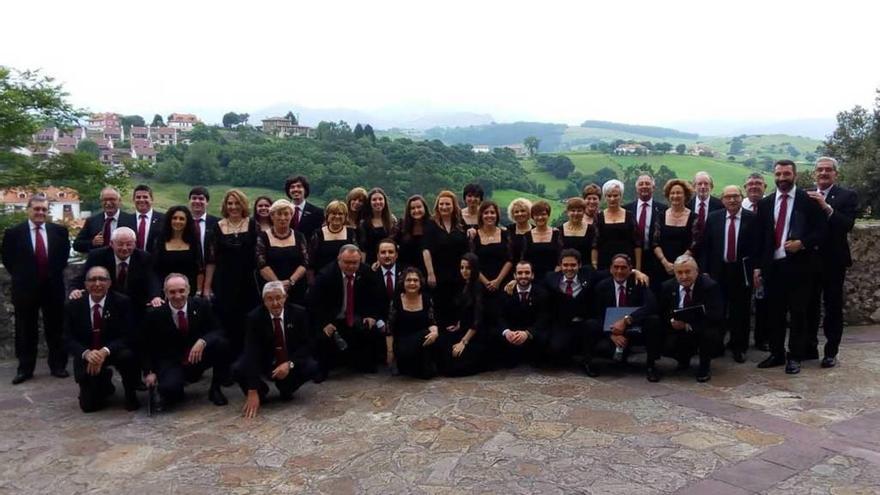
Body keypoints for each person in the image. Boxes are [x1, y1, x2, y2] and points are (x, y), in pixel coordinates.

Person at [755, 160, 828, 374]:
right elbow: (760, 239)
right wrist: (758, 267)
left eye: (786, 174)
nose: (782, 178)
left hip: (800, 266)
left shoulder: (809, 201)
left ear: (794, 175)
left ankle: (795, 356)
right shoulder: (766, 203)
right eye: (778, 174)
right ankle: (777, 353)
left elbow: (821, 232)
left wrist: (802, 243)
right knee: (774, 313)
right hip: (773, 267)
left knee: (798, 313)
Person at [2, 194, 71, 384]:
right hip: (25, 290)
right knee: (25, 330)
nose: (40, 212)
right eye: (36, 209)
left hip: (53, 288)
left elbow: (63, 258)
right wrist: (26, 278)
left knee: (56, 329)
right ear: (28, 210)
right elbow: (8, 260)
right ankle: (25, 369)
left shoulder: (59, 232)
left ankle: (58, 366)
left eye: (43, 209)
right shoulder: (14, 233)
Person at [142, 273, 230, 409]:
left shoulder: (202, 305)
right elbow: (147, 345)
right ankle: (176, 387)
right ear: (165, 293)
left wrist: (203, 341)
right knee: (169, 391)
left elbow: (218, 330)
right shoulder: (155, 314)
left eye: (182, 291)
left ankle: (215, 389)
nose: (177, 296)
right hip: (172, 360)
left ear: (188, 290)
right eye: (172, 292)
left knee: (221, 344)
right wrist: (149, 372)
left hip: (197, 356)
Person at [237, 281, 319, 419]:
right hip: (267, 362)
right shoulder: (254, 318)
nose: (275, 303)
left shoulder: (299, 313)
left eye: (278, 298)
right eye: (270, 299)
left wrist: (290, 363)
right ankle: (261, 391)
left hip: (288, 360)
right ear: (264, 301)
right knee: (238, 368)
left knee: (312, 366)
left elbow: (308, 345)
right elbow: (251, 351)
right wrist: (252, 389)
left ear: (285, 297)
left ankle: (287, 387)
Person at [64, 266, 140, 412]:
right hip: (88, 353)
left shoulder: (122, 302)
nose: (97, 284)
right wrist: (87, 354)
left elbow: (129, 335)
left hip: (113, 350)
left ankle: (131, 393)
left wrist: (104, 352)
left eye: (102, 279)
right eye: (92, 280)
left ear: (109, 283)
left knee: (128, 356)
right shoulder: (74, 305)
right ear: (85, 284)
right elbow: (67, 338)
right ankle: (104, 380)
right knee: (89, 407)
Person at [696, 185, 759, 363]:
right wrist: (705, 271)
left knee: (741, 311)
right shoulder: (714, 218)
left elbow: (757, 247)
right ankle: (716, 345)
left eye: (736, 196)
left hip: (742, 271)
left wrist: (756, 268)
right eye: (728, 197)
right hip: (718, 270)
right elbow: (706, 247)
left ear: (741, 197)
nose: (732, 200)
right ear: (722, 200)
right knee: (717, 310)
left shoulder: (752, 219)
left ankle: (739, 347)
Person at [806, 157, 858, 368]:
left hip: (833, 261)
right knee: (809, 306)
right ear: (814, 173)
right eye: (820, 170)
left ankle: (830, 352)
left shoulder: (847, 195)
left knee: (833, 307)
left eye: (828, 170)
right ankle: (809, 347)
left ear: (835, 173)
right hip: (809, 260)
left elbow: (846, 225)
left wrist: (825, 206)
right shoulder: (805, 195)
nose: (824, 173)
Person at [584, 254, 662, 381]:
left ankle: (651, 366)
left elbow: (651, 305)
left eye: (623, 268)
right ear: (610, 269)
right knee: (590, 324)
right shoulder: (602, 286)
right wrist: (611, 334)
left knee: (654, 320)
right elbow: (597, 313)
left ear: (630, 269)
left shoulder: (639, 282)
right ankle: (588, 363)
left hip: (634, 327)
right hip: (611, 331)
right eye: (616, 267)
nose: (619, 271)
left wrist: (627, 320)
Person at [309, 245, 382, 378]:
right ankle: (322, 369)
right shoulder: (325, 275)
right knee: (322, 336)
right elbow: (314, 303)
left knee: (371, 329)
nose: (351, 266)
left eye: (355, 263)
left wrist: (371, 316)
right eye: (347, 262)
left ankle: (363, 363)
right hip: (331, 318)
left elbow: (374, 297)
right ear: (339, 260)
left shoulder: (366, 272)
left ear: (360, 260)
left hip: (355, 315)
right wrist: (324, 323)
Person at [204, 189, 259, 356]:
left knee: (248, 321)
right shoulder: (217, 227)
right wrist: (206, 287)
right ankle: (227, 364)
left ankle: (248, 362)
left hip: (249, 282)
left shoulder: (252, 225)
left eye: (236, 203)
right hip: (224, 283)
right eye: (230, 203)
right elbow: (211, 260)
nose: (233, 207)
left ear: (243, 204)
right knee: (227, 321)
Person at [71, 227, 162, 321]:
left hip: (135, 305)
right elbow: (84, 276)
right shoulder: (97, 256)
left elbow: (152, 279)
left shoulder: (144, 257)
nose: (124, 248)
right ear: (111, 244)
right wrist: (75, 289)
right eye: (120, 244)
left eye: (129, 244)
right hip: (108, 304)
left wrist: (156, 296)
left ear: (135, 244)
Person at [656, 255, 723, 382]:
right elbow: (661, 311)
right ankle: (682, 359)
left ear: (696, 272)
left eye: (688, 272)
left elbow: (716, 314)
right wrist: (671, 321)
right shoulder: (667, 287)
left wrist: (688, 325)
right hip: (676, 328)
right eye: (679, 272)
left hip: (701, 327)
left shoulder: (709, 287)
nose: (684, 276)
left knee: (708, 334)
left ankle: (704, 367)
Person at [540, 249, 602, 370]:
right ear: (560, 265)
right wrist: (514, 281)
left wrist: (635, 272)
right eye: (565, 265)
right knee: (555, 349)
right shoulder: (550, 278)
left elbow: (611, 272)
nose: (569, 268)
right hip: (563, 323)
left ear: (579, 265)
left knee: (593, 328)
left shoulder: (588, 273)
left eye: (573, 265)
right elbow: (535, 284)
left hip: (585, 322)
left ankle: (588, 362)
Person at [422, 191, 469, 328]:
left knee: (457, 306)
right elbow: (426, 250)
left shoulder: (460, 223)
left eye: (447, 204)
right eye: (441, 204)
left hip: (458, 274)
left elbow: (466, 249)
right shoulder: (431, 224)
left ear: (453, 206)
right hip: (437, 273)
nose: (444, 207)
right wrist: (430, 273)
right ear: (437, 206)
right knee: (439, 306)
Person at [386, 268, 440, 379]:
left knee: (431, 336)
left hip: (421, 344)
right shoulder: (396, 300)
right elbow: (389, 328)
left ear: (420, 283)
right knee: (425, 334)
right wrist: (390, 352)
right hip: (403, 343)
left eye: (415, 280)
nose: (412, 283)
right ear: (403, 283)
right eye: (408, 280)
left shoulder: (426, 298)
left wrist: (435, 332)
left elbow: (431, 321)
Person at [436, 253, 485, 376]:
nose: (464, 271)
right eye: (462, 268)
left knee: (455, 364)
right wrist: (458, 324)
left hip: (474, 334)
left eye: (468, 268)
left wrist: (463, 342)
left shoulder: (478, 287)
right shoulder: (464, 285)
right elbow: (465, 311)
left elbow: (477, 319)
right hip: (463, 328)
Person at [255, 199, 310, 306]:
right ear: (272, 216)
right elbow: (261, 264)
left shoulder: (300, 236)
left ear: (291, 216)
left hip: (297, 287)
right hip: (271, 290)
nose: (283, 218)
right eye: (279, 214)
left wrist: (290, 281)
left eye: (286, 214)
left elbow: (305, 262)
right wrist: (278, 285)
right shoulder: (263, 237)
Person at [496, 260, 548, 368]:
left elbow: (543, 318)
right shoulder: (506, 291)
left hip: (532, 333)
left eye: (527, 273)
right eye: (519, 273)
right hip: (512, 333)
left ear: (532, 275)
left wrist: (527, 333)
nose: (523, 276)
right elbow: (499, 316)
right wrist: (507, 332)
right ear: (514, 275)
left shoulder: (542, 293)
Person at [741, 173, 769, 351]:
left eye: (758, 183)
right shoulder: (738, 205)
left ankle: (762, 339)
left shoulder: (770, 205)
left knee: (764, 303)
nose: (754, 186)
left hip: (765, 260)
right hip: (742, 263)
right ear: (745, 188)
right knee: (742, 303)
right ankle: (740, 341)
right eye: (750, 184)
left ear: (765, 187)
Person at [471, 201, 512, 319]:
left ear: (497, 215)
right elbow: (473, 262)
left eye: (492, 212)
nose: (489, 215)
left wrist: (498, 281)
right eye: (486, 213)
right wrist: (486, 282)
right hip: (481, 283)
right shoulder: (475, 237)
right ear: (481, 215)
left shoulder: (505, 234)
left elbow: (509, 259)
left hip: (502, 282)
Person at [651, 179, 696, 285]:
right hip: (662, 266)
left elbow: (695, 244)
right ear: (668, 195)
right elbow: (655, 243)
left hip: (686, 269)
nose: (675, 196)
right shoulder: (660, 216)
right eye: (672, 193)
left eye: (679, 193)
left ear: (685, 195)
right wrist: (665, 262)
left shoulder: (694, 217)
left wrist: (679, 264)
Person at [625, 174, 667, 286]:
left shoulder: (663, 210)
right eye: (641, 184)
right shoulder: (626, 209)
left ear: (653, 188)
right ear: (636, 188)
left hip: (655, 259)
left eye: (647, 184)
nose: (644, 186)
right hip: (631, 258)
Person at [153, 205, 203, 295]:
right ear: (169, 220)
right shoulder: (160, 241)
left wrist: (198, 292)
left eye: (181, 219)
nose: (177, 221)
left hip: (188, 292)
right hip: (165, 292)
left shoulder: (193, 242)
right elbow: (156, 270)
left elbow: (199, 269)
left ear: (187, 221)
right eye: (174, 218)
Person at [592, 180, 642, 271]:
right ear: (605, 197)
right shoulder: (598, 218)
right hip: (605, 263)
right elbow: (595, 244)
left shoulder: (630, 216)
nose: (612, 199)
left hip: (627, 263)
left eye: (615, 195)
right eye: (609, 196)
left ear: (621, 196)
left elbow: (637, 243)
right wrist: (594, 264)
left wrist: (638, 267)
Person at [371, 238, 403, 372]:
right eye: (383, 252)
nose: (387, 255)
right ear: (378, 256)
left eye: (391, 252)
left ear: (396, 254)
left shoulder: (407, 272)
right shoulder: (371, 274)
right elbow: (368, 301)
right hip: (380, 319)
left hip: (402, 318)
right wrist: (379, 321)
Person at [73, 187, 136, 254]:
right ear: (101, 202)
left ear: (119, 201)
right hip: (98, 262)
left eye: (112, 199)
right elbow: (77, 245)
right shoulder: (92, 221)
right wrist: (92, 243)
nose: (108, 203)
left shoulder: (131, 220)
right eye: (105, 200)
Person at [309, 200, 358, 274]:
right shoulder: (318, 234)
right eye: (334, 213)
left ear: (345, 216)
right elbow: (311, 259)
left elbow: (357, 255)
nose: (337, 216)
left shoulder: (351, 233)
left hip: (347, 276)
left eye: (340, 214)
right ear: (327, 215)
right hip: (322, 276)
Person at [522, 200, 562, 281]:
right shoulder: (527, 236)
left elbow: (561, 257)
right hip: (532, 278)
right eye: (536, 215)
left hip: (554, 277)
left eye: (543, 214)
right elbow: (524, 259)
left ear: (548, 215)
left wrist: (555, 275)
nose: (540, 217)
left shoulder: (557, 233)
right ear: (532, 217)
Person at [358, 188, 397, 266]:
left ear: (385, 201)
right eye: (374, 200)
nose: (378, 202)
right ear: (370, 203)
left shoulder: (392, 221)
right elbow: (363, 248)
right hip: (371, 264)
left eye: (380, 199)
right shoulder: (364, 224)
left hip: (390, 263)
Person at [394, 195, 431, 274]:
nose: (416, 210)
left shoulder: (432, 225)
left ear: (425, 208)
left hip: (428, 270)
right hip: (405, 270)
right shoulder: (401, 225)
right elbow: (390, 242)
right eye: (413, 208)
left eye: (419, 207)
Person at [285, 175, 324, 239]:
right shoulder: (282, 212)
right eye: (292, 187)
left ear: (305, 190)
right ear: (288, 191)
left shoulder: (318, 213)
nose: (295, 189)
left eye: (299, 186)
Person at [561, 197, 597, 264]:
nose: (576, 213)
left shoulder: (591, 230)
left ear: (584, 212)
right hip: (565, 269)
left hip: (586, 268)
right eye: (573, 210)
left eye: (579, 211)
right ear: (567, 212)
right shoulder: (559, 230)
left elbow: (594, 249)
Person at [188, 186, 218, 263]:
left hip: (212, 268)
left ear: (207, 202)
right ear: (189, 201)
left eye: (201, 199)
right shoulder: (184, 222)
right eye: (194, 198)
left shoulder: (217, 223)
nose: (197, 201)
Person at [132, 184, 164, 253]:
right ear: (133, 200)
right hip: (132, 261)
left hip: (156, 261)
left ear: (151, 199)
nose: (141, 200)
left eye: (145, 197)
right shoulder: (126, 220)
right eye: (138, 197)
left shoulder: (163, 219)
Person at [689, 171, 724, 236]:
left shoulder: (720, 206)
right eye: (699, 184)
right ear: (694, 187)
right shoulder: (687, 205)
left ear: (711, 187)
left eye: (706, 184)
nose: (703, 186)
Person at [506, 197, 533, 265]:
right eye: (516, 212)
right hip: (511, 271)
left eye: (523, 211)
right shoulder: (506, 231)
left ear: (529, 212)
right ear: (512, 214)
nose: (519, 214)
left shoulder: (535, 231)